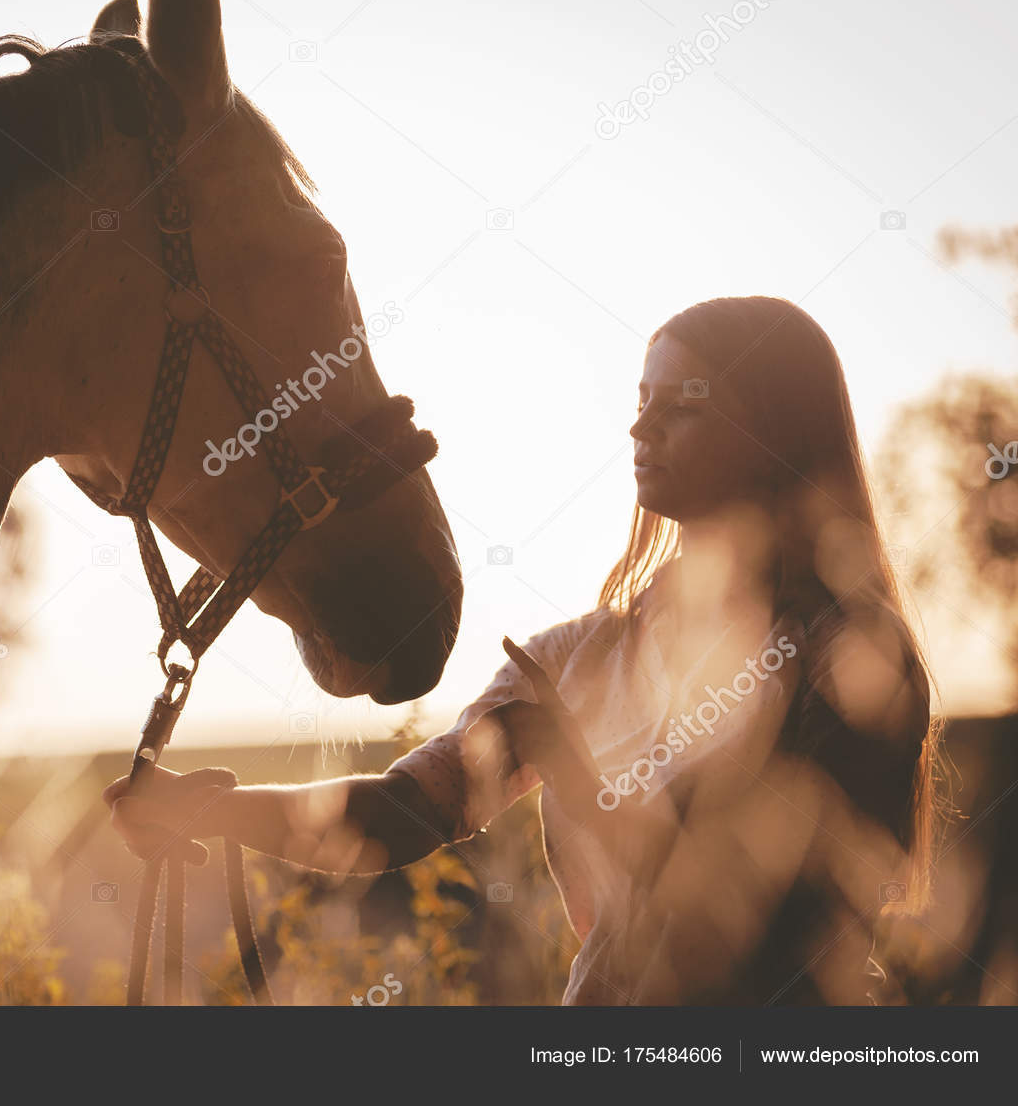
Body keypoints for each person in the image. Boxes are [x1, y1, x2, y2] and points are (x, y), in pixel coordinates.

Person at [103, 296, 942, 1005]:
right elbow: (403, 813)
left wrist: (575, 777)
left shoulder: (855, 663)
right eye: (641, 398)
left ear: (774, 430)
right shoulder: (581, 659)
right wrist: (209, 810)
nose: (639, 425)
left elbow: (748, 940)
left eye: (681, 402)